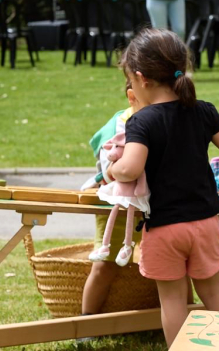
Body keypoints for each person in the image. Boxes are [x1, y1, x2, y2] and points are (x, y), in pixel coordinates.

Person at [107, 27, 219, 346]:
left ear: (142, 79)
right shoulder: (203, 110)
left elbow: (130, 168)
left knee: (172, 300)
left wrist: (112, 167)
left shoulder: (141, 121)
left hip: (166, 227)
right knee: (213, 289)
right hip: (204, 223)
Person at [81, 82, 147, 316]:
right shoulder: (118, 125)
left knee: (175, 269)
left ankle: (182, 321)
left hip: (154, 207)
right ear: (133, 96)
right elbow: (110, 169)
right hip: (116, 207)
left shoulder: (161, 117)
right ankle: (87, 323)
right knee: (103, 266)